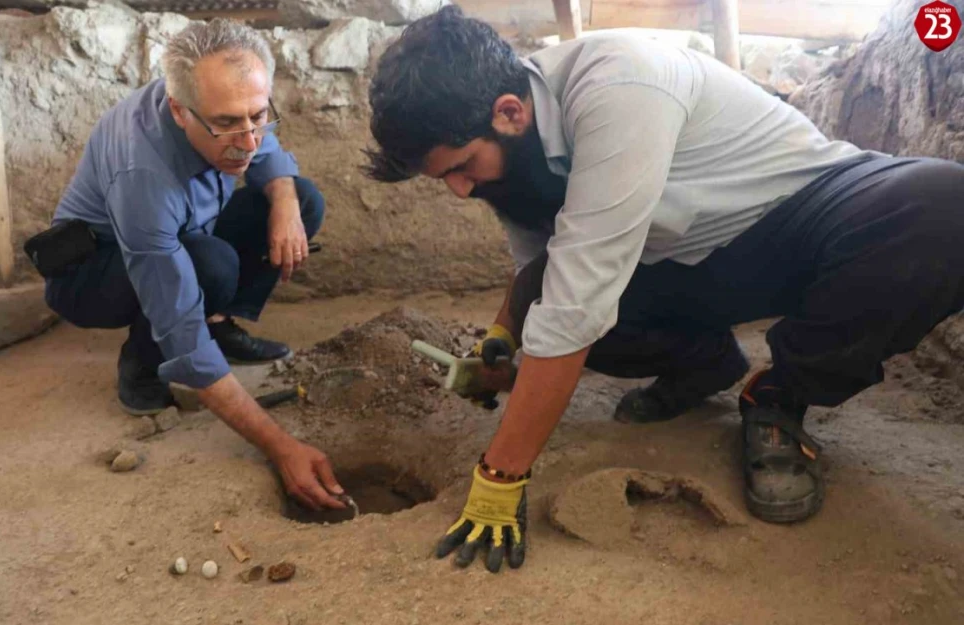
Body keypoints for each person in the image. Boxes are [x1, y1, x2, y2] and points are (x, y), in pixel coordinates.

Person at [364, 6, 964, 572]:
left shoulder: (619, 82)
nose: (460, 192)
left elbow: (575, 300)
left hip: (795, 215)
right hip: (685, 260)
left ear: (509, 113)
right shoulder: (511, 153)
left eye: (461, 167)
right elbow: (537, 267)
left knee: (943, 206)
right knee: (556, 304)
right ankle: (705, 365)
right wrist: (500, 339)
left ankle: (779, 396)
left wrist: (501, 476)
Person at [44, 19, 347, 511]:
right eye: (227, 124)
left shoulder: (229, 108)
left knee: (301, 198)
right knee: (208, 264)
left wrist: (286, 207)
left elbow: (267, 154)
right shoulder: (144, 173)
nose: (248, 140)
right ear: (180, 111)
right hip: (91, 272)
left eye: (258, 115)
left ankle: (220, 324)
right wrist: (280, 446)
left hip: (186, 235)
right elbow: (177, 317)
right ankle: (141, 370)